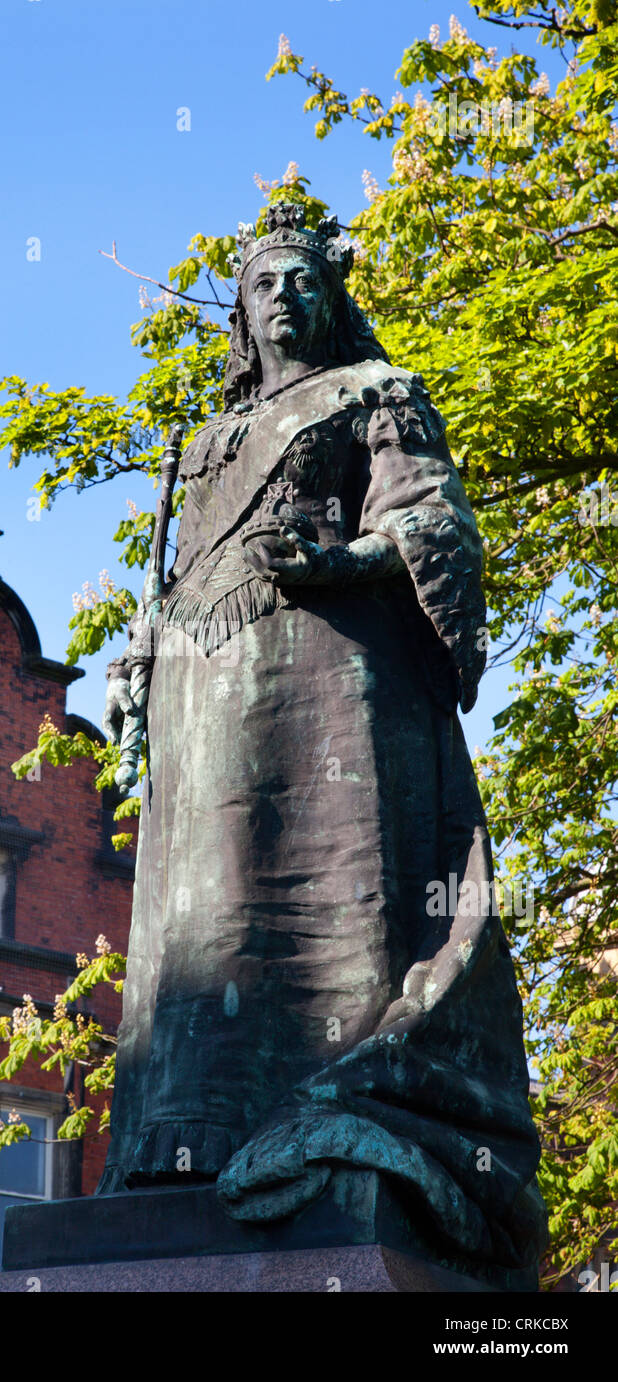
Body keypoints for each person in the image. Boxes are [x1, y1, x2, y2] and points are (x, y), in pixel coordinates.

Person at [100, 203, 547, 1286]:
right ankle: (188, 1142)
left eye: (303, 279)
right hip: (203, 696)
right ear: (241, 317)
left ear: (330, 295)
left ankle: (347, 1097)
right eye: (263, 285)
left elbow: (430, 524)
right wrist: (139, 661)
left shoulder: (375, 394)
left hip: (332, 685)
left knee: (334, 896)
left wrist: (342, 563)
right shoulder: (198, 441)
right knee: (202, 920)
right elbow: (173, 577)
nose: (284, 297)